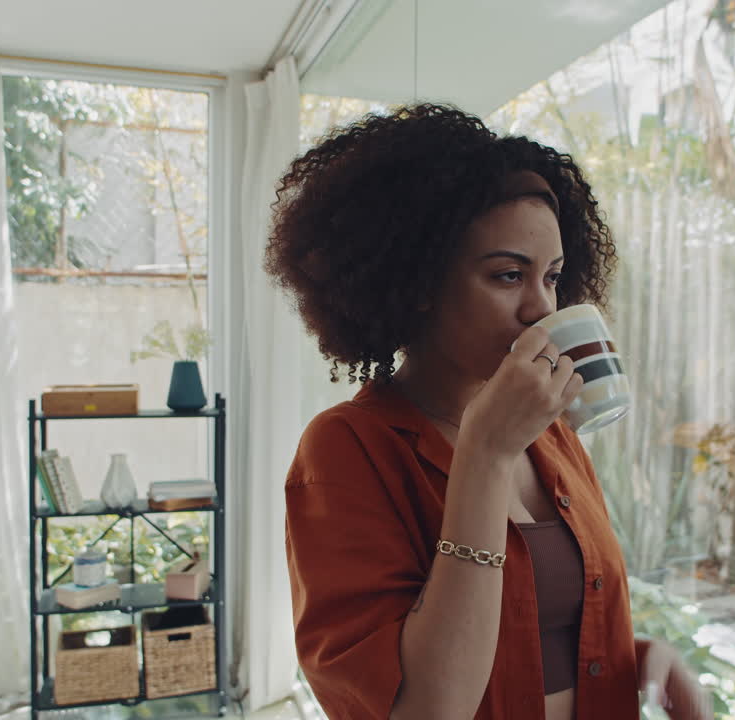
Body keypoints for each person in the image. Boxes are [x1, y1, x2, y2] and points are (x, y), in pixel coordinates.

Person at [264, 103, 710, 720]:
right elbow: (425, 707)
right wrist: (484, 455)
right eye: (507, 275)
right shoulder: (345, 450)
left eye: (552, 277)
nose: (540, 308)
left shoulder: (551, 434)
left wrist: (640, 656)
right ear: (417, 283)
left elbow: (531, 635)